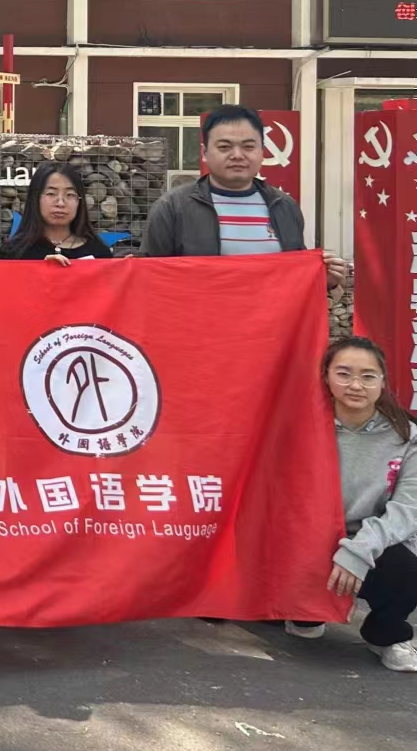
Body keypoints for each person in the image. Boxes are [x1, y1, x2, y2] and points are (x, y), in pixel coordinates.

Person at [286, 337, 417, 672]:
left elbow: (408, 509)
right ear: (326, 377)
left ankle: (386, 634)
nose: (356, 385)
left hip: (376, 542)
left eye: (368, 376)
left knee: (407, 565)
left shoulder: (407, 436)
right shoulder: (302, 427)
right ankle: (304, 609)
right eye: (343, 374)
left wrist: (358, 551)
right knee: (304, 626)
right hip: (313, 538)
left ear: (383, 382)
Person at [143, 104, 348, 288]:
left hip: (271, 319)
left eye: (248, 146)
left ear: (262, 152)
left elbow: (294, 279)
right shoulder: (172, 207)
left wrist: (323, 278)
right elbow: (151, 279)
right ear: (205, 153)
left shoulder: (284, 206)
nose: (237, 155)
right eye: (224, 147)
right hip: (199, 317)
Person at [0, 162, 113, 262]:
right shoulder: (13, 253)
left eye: (70, 195)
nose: (60, 203)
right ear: (35, 198)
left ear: (79, 201)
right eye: (51, 194)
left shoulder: (99, 253)